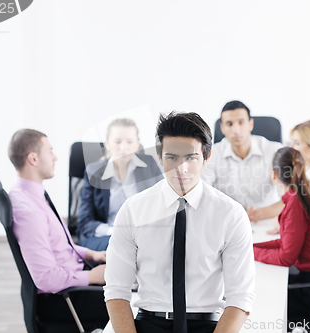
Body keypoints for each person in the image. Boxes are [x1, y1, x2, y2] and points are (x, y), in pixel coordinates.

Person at [104, 112, 255, 333]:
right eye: (172, 157)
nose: (181, 169)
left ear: (206, 157)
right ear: (159, 156)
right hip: (149, 323)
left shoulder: (230, 214)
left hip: (208, 325)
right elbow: (117, 290)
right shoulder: (133, 210)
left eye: (191, 158)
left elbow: (240, 297)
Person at [8, 129, 109, 329]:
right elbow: (46, 278)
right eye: (50, 151)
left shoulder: (33, 196)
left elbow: (60, 244)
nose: (55, 157)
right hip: (65, 299)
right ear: (33, 159)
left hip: (73, 284)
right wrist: (93, 276)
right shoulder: (29, 211)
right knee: (137, 305)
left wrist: (94, 255)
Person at [253, 147, 310, 323]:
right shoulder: (305, 192)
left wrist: (251, 253)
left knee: (266, 301)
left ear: (274, 175)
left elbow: (285, 257)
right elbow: (287, 243)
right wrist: (251, 248)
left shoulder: (296, 202)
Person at [77, 118, 163, 251]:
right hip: (106, 237)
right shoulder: (93, 172)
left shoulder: (149, 164)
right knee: (122, 248)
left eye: (129, 142)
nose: (123, 148)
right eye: (117, 142)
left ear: (137, 144)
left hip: (143, 235)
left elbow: (162, 203)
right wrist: (114, 232)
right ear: (107, 144)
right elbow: (85, 222)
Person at [248, 120, 310, 235]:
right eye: (292, 142)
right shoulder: (303, 171)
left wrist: (265, 214)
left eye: (297, 143)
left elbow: (294, 202)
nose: (291, 147)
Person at [201, 100, 284, 216]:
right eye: (229, 124)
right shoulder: (212, 154)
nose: (236, 130)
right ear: (222, 128)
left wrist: (264, 213)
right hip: (228, 221)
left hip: (268, 222)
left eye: (241, 122)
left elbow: (292, 197)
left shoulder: (274, 151)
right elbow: (201, 193)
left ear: (251, 124)